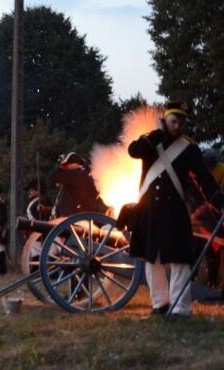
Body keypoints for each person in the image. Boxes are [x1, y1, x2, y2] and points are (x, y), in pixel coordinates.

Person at [127, 101, 224, 319]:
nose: (178, 126)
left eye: (182, 122)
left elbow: (205, 180)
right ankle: (160, 304)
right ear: (165, 120)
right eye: (174, 121)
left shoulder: (189, 148)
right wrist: (157, 133)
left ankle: (180, 308)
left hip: (175, 211)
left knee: (180, 260)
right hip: (150, 210)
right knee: (153, 259)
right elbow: (133, 151)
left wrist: (219, 203)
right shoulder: (151, 142)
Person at [49, 152, 105, 218]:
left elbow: (53, 175)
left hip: (73, 220)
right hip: (71, 219)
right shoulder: (79, 175)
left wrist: (62, 167)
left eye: (65, 165)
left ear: (72, 164)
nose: (64, 168)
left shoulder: (79, 174)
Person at [23, 179, 52, 269]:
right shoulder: (34, 201)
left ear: (38, 190)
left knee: (37, 251)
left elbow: (42, 218)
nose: (29, 192)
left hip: (38, 230)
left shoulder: (41, 201)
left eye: (31, 190)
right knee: (34, 250)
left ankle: (37, 271)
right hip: (34, 230)